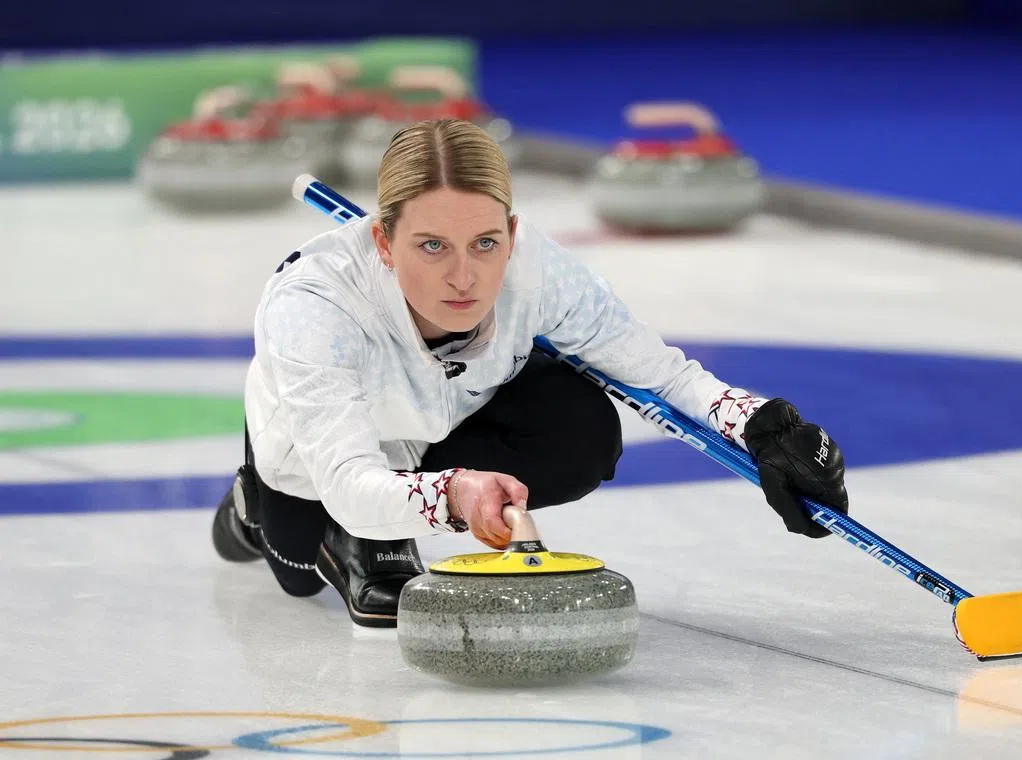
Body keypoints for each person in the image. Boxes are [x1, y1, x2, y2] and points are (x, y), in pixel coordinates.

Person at [211, 118, 849, 627]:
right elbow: (350, 487)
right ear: (383, 241)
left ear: (512, 234)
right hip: (320, 459)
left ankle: (390, 517)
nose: (464, 277)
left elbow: (662, 376)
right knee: (300, 569)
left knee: (579, 427)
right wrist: (452, 495)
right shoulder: (314, 308)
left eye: (485, 243)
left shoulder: (537, 272)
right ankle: (251, 511)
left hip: (438, 425)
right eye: (432, 246)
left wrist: (762, 425)